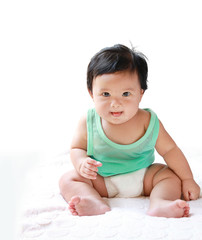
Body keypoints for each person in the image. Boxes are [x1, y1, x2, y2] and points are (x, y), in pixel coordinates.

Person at [59, 44, 200, 218]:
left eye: (126, 94)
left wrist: (187, 179)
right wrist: (81, 163)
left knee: (169, 177)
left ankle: (161, 202)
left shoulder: (149, 121)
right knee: (68, 179)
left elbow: (170, 150)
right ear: (91, 93)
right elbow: (76, 148)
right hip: (103, 179)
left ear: (140, 94)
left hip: (144, 177)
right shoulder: (89, 121)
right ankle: (93, 200)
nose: (115, 103)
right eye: (105, 94)